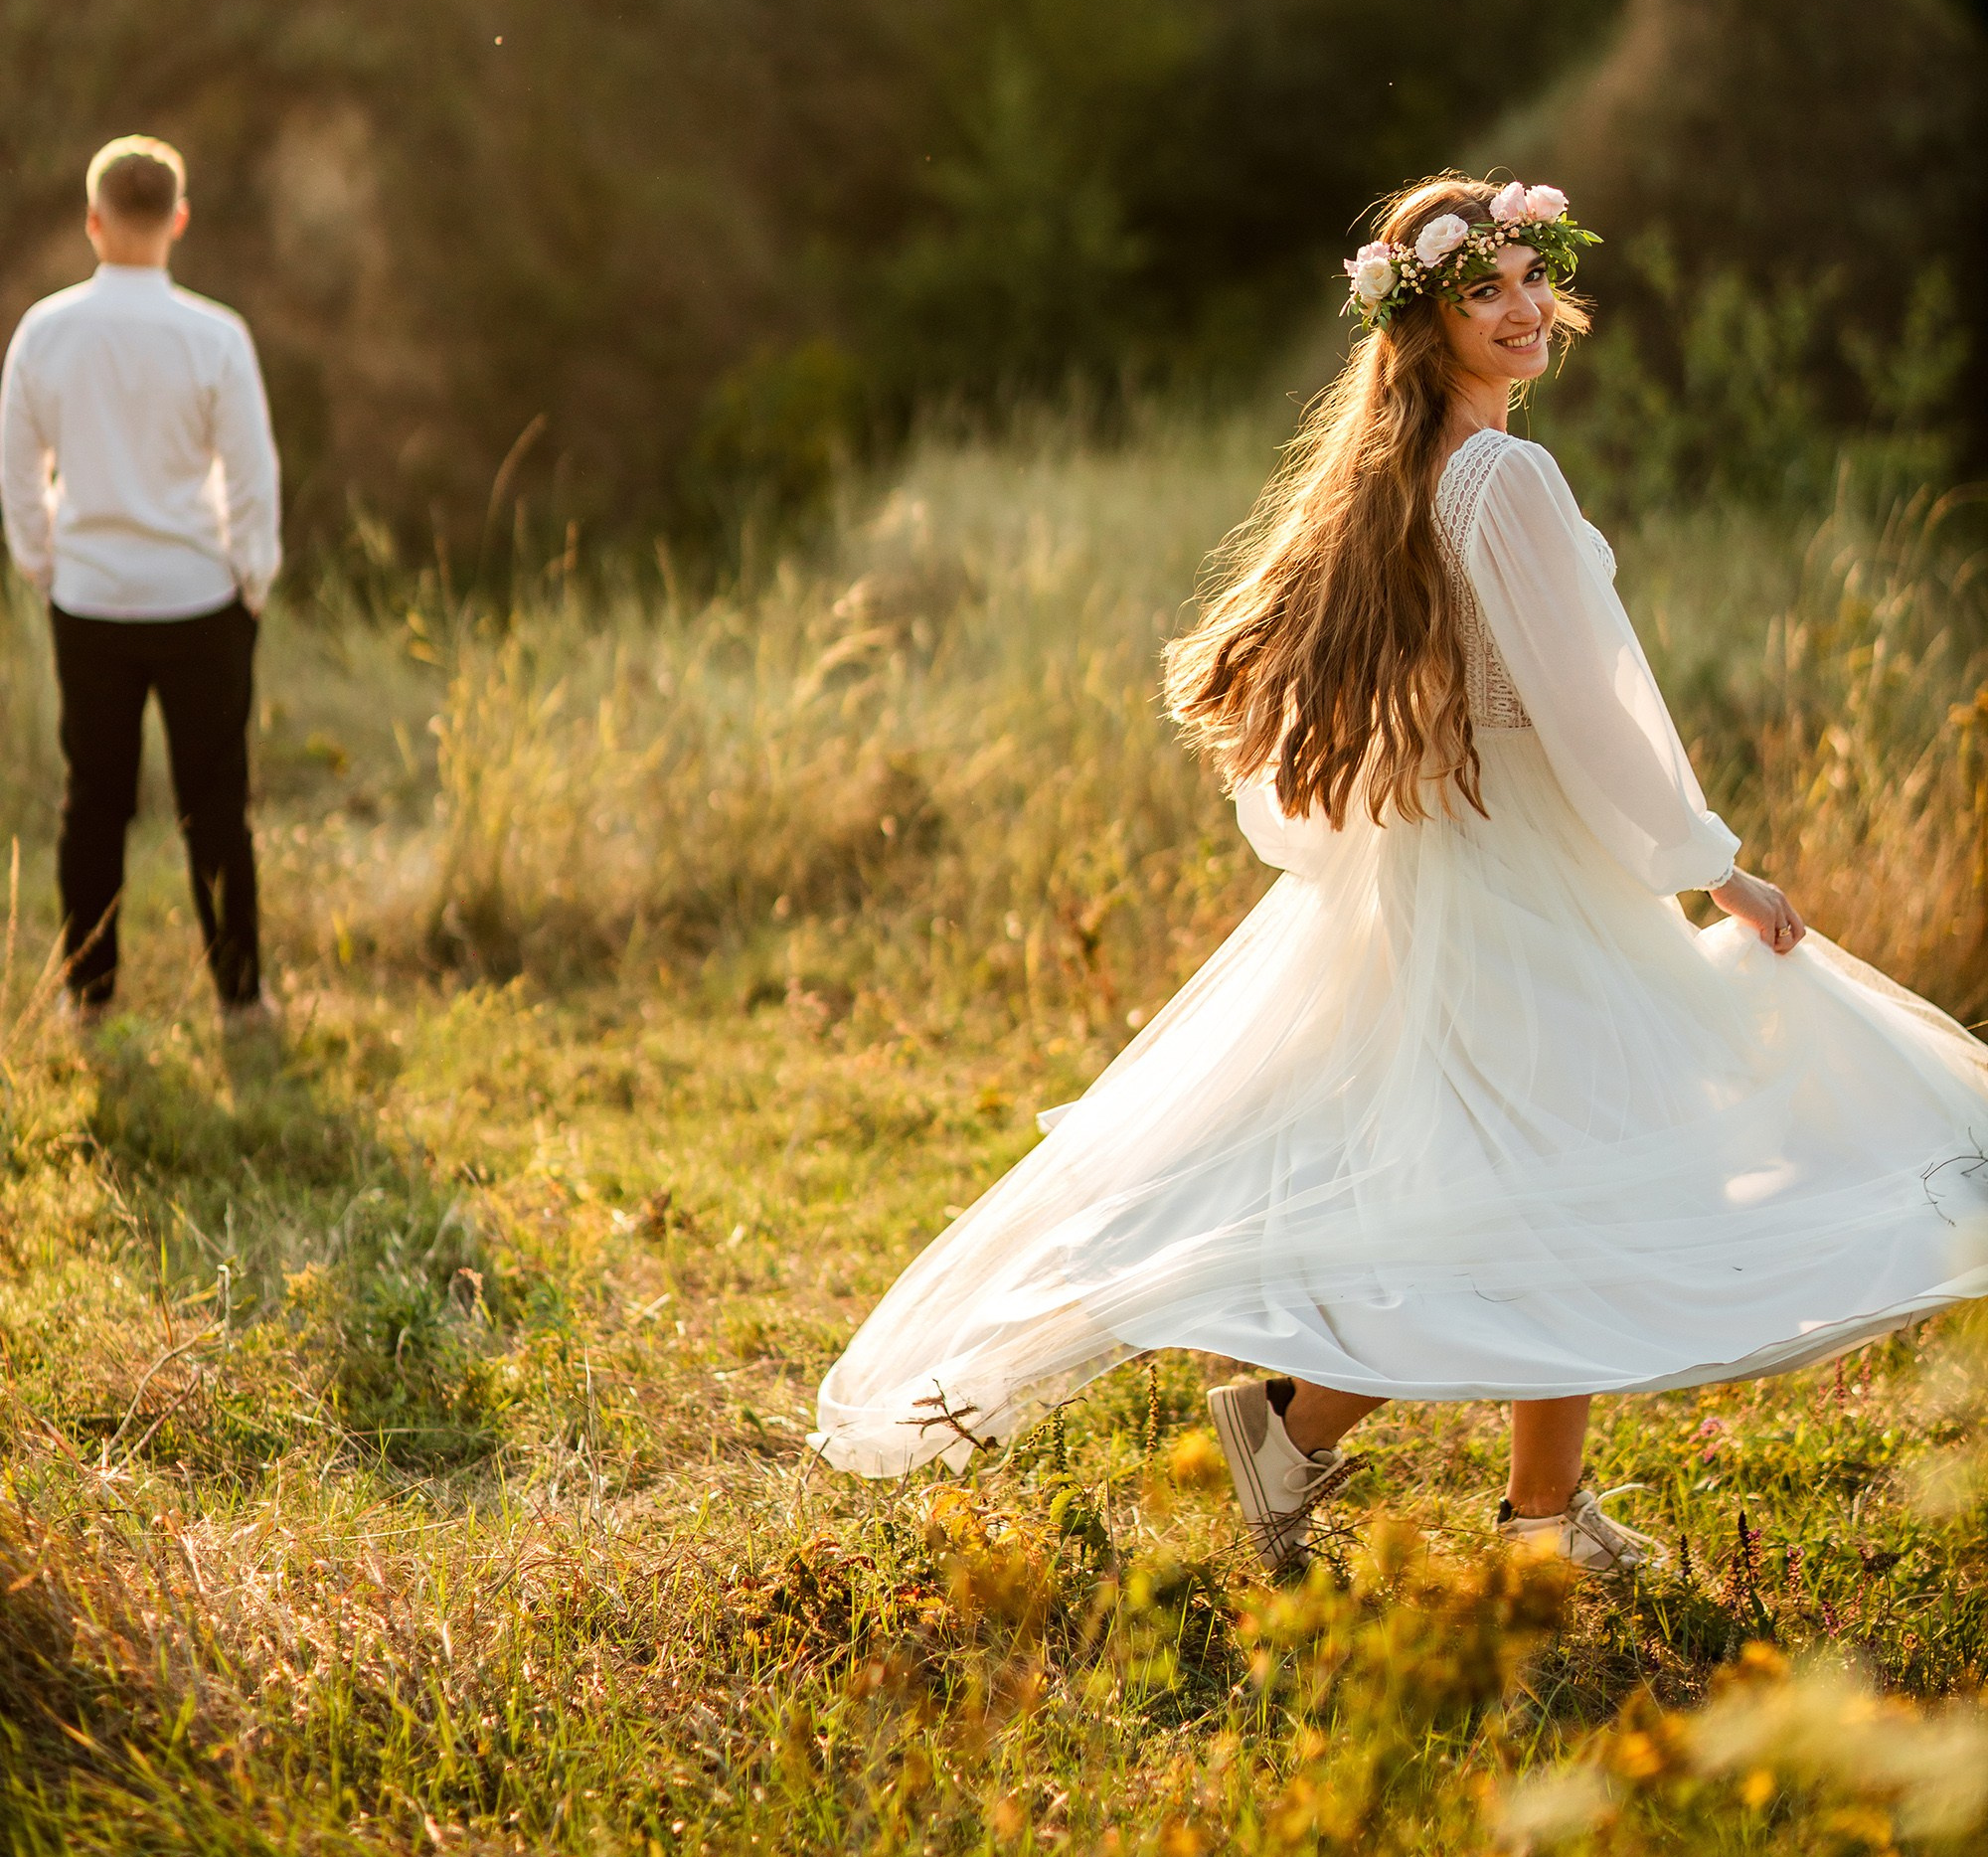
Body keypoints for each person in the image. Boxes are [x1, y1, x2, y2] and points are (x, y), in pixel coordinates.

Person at [809, 174, 1988, 1579]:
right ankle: (1341, 1452)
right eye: (1482, 290)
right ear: (1421, 325)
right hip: (1525, 872)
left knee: (1550, 1178)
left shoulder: (1414, 473)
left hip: (1459, 862)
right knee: (1556, 1176)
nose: (1522, 308)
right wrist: (1710, 865)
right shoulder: (1500, 475)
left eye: (1532, 278)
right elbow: (1590, 704)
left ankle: (1490, 1501)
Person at [1, 136, 282, 1038]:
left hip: (89, 603)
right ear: (180, 220)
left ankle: (90, 1002)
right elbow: (251, 478)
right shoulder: (216, 335)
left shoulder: (45, 331)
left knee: (94, 803)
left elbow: (17, 470)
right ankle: (241, 1003)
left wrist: (43, 562)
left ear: (92, 221)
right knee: (216, 807)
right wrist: (253, 579)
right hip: (202, 602)